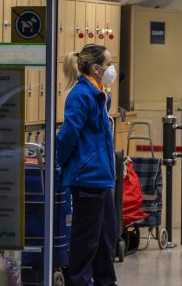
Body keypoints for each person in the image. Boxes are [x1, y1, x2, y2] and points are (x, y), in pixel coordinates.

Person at [57, 43, 118, 286]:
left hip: (102, 176)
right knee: (87, 238)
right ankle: (79, 281)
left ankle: (105, 281)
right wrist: (64, 164)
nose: (112, 68)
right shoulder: (80, 95)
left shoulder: (98, 93)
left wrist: (106, 94)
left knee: (105, 236)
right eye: (108, 64)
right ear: (96, 68)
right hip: (87, 177)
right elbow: (68, 136)